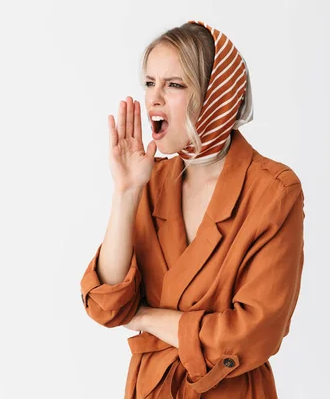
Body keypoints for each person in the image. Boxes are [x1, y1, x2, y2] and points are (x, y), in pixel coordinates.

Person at [79, 20, 305, 399]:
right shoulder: (149, 182)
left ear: (216, 94)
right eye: (150, 82)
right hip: (149, 388)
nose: (153, 99)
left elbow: (253, 333)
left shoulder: (273, 191)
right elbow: (106, 304)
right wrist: (126, 191)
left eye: (174, 85)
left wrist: (146, 317)